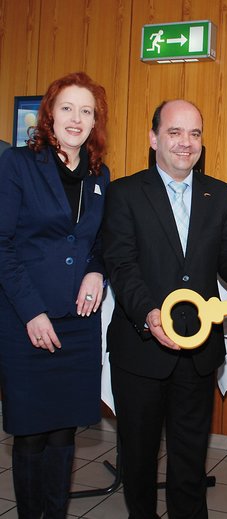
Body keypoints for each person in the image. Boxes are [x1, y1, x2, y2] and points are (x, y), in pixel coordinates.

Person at [102, 99, 227, 519]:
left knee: (189, 457)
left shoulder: (219, 195)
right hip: (141, 347)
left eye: (195, 133)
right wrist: (149, 313)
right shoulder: (125, 193)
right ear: (154, 138)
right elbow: (122, 265)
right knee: (139, 457)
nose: (186, 143)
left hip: (199, 351)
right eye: (175, 132)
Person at [0, 71, 110, 518]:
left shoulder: (100, 175)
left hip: (78, 322)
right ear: (49, 114)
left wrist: (97, 272)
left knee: (65, 429)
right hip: (25, 318)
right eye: (67, 108)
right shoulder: (18, 164)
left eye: (86, 111)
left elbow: (99, 241)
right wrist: (32, 312)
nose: (76, 118)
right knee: (30, 432)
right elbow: (2, 244)